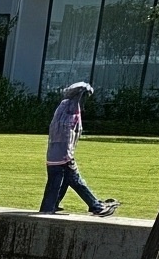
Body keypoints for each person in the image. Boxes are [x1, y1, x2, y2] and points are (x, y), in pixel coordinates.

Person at [40, 81, 118, 218]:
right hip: (64, 157)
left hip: (53, 156)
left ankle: (49, 205)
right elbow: (68, 136)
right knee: (76, 181)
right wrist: (69, 156)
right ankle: (96, 206)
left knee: (59, 181)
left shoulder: (61, 109)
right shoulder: (71, 113)